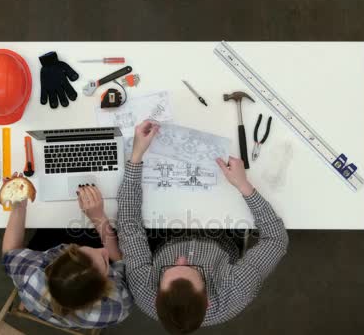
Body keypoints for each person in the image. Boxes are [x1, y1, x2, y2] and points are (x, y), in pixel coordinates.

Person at [117, 120, 289, 334]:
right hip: (222, 237)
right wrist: (244, 185)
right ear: (207, 300)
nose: (180, 260)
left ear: (156, 296)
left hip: (167, 235)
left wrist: (136, 156)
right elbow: (276, 239)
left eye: (167, 269)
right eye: (192, 269)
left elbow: (128, 223)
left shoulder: (144, 289)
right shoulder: (236, 289)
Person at [1, 173, 132, 329]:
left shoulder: (31, 276)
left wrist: (19, 204)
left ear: (53, 262)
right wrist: (98, 217)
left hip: (38, 302)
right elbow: (118, 262)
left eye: (80, 250)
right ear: (106, 287)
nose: (103, 250)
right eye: (104, 262)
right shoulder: (117, 306)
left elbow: (10, 252)